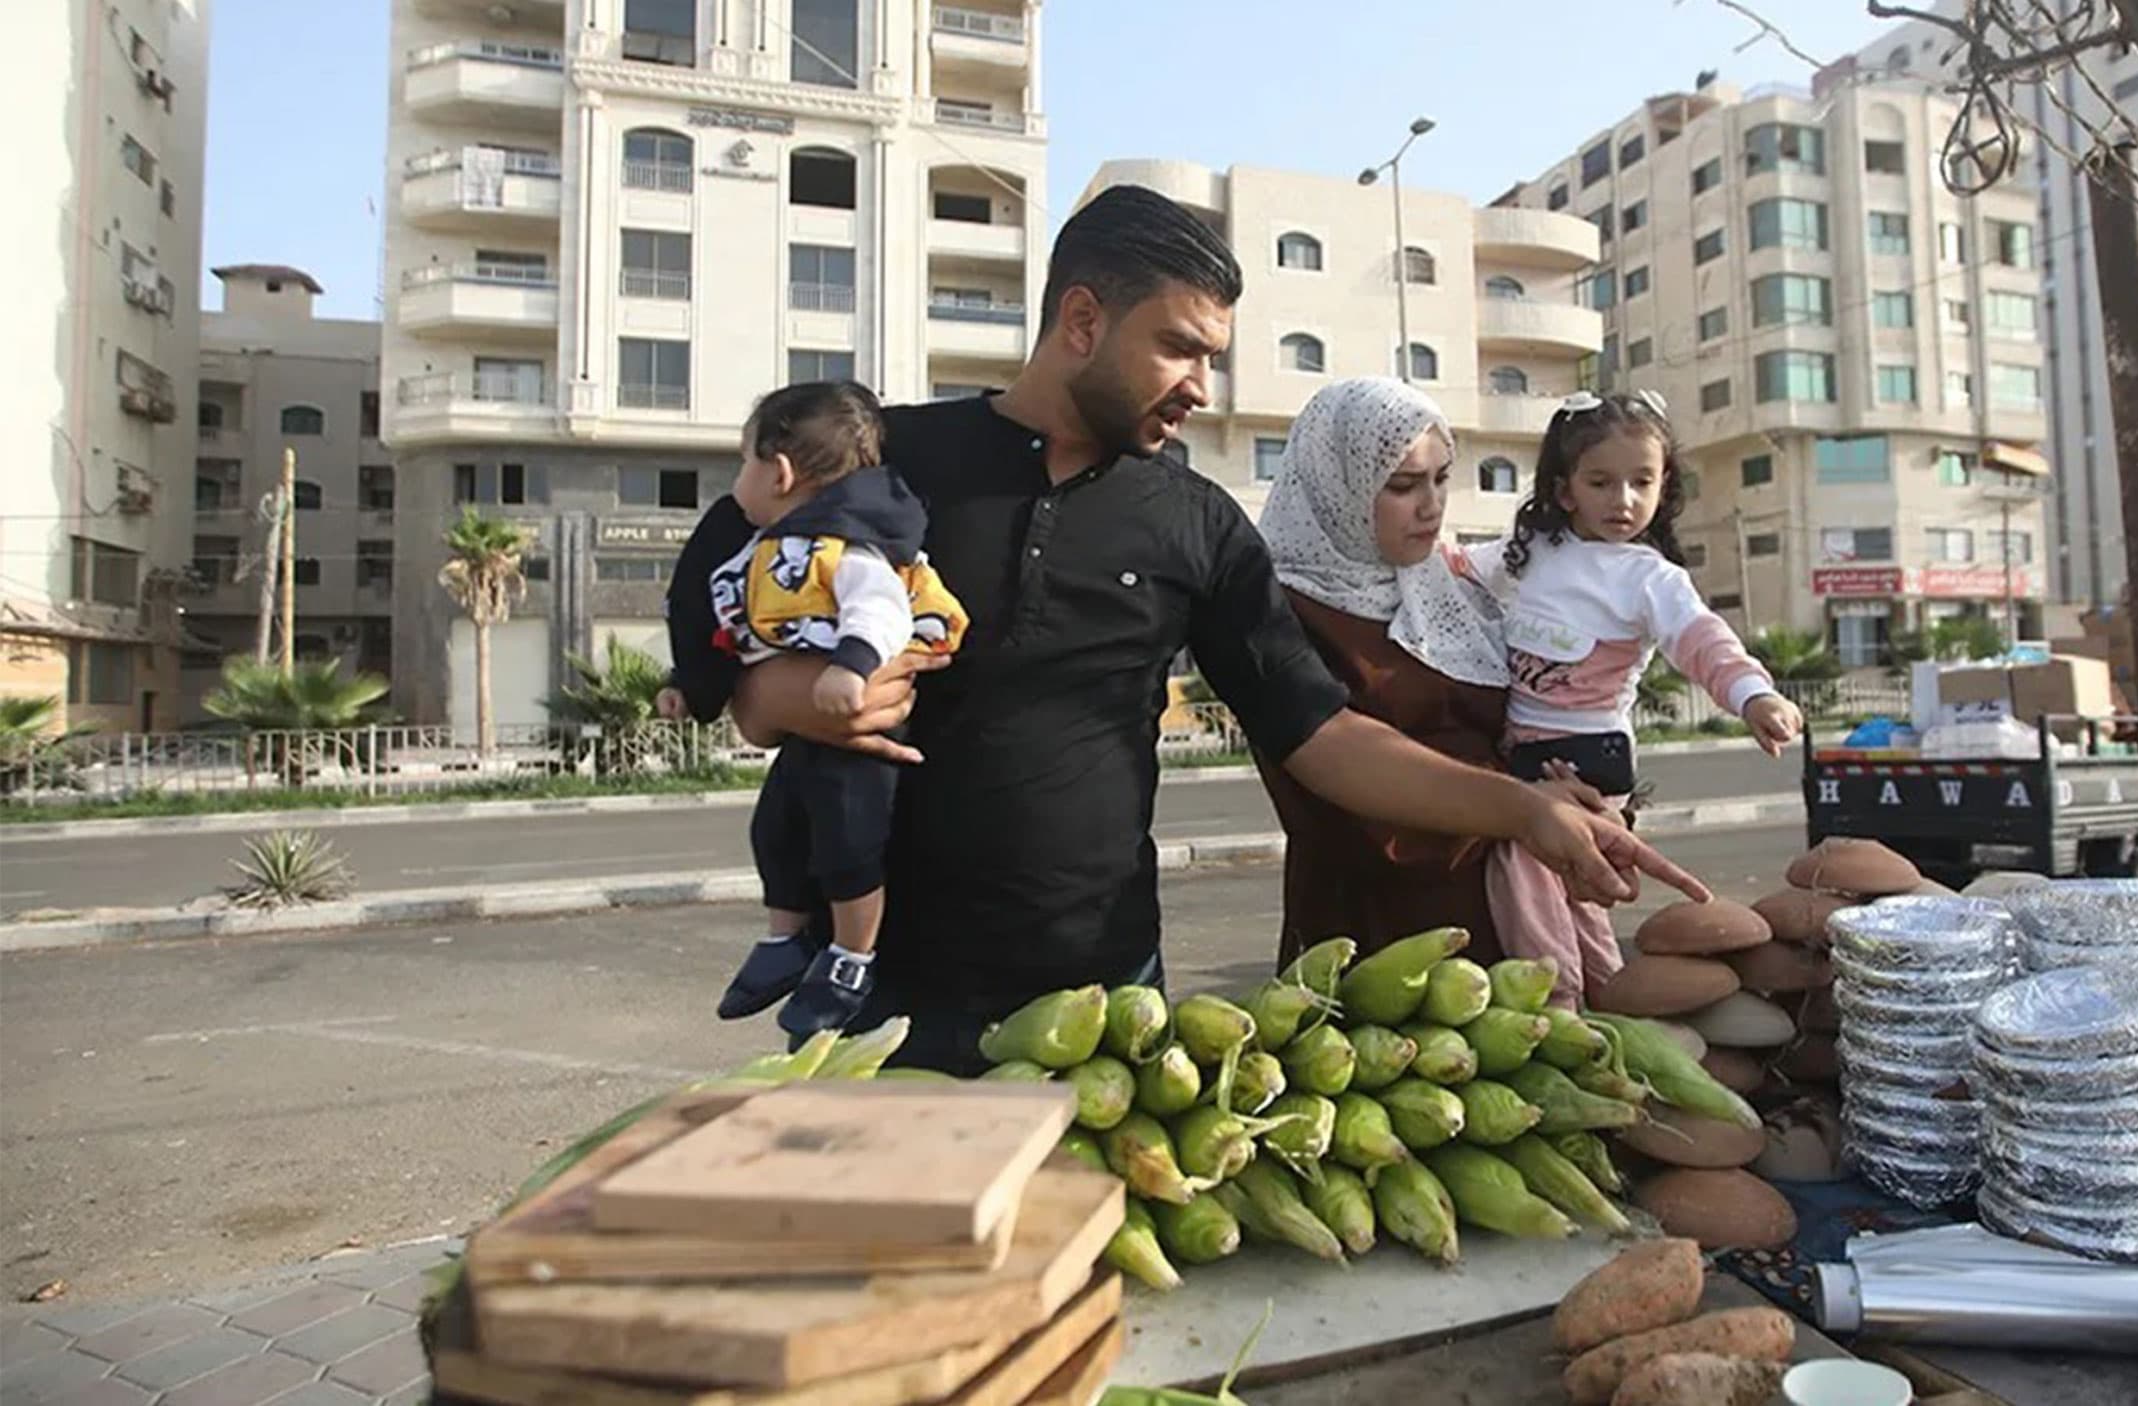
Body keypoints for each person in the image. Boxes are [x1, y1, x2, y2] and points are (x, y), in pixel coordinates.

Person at [673, 185, 1709, 1071]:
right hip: (881, 988)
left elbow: (1322, 732)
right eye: (1177, 347)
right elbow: (720, 613)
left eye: (1211, 354)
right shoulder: (882, 455)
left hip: (1103, 995)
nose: (1199, 386)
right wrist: (770, 699)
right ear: (1081, 319)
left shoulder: (1198, 521)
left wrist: (1520, 811)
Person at [1461, 391, 1805, 1007]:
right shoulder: (1529, 554)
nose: (1623, 500)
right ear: (1565, 491)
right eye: (1601, 482)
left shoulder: (1652, 578)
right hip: (1518, 750)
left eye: (1640, 482)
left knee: (1527, 868)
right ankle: (1617, 997)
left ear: (1663, 486)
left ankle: (1555, 1004)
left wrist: (1753, 695)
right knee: (1582, 885)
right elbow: (1454, 568)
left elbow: (1703, 640)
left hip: (1588, 753)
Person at [657, 382, 970, 1042]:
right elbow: (731, 628)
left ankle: (851, 959)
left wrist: (851, 664)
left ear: (780, 472)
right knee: (776, 830)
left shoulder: (845, 543)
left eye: (743, 463)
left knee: (848, 847)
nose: (736, 483)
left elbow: (881, 607)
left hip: (863, 733)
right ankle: (785, 940)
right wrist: (689, 682)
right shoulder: (767, 549)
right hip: (808, 735)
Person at [1255, 376, 1560, 968]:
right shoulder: (1284, 611)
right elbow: (1347, 796)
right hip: (1375, 934)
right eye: (1402, 485)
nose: (1432, 505)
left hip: (1501, 912)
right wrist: (1523, 805)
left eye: (1442, 478)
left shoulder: (1448, 589)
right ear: (1336, 488)